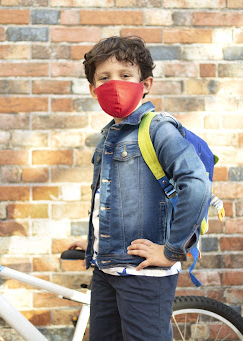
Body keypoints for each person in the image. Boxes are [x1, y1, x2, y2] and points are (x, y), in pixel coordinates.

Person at [68, 36, 211, 340]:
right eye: (104, 78)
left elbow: (197, 186)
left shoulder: (158, 128)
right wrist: (96, 239)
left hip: (143, 275)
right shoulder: (109, 135)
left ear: (146, 84)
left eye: (125, 75)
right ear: (94, 90)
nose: (114, 84)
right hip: (107, 269)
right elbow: (116, 198)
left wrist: (171, 251)